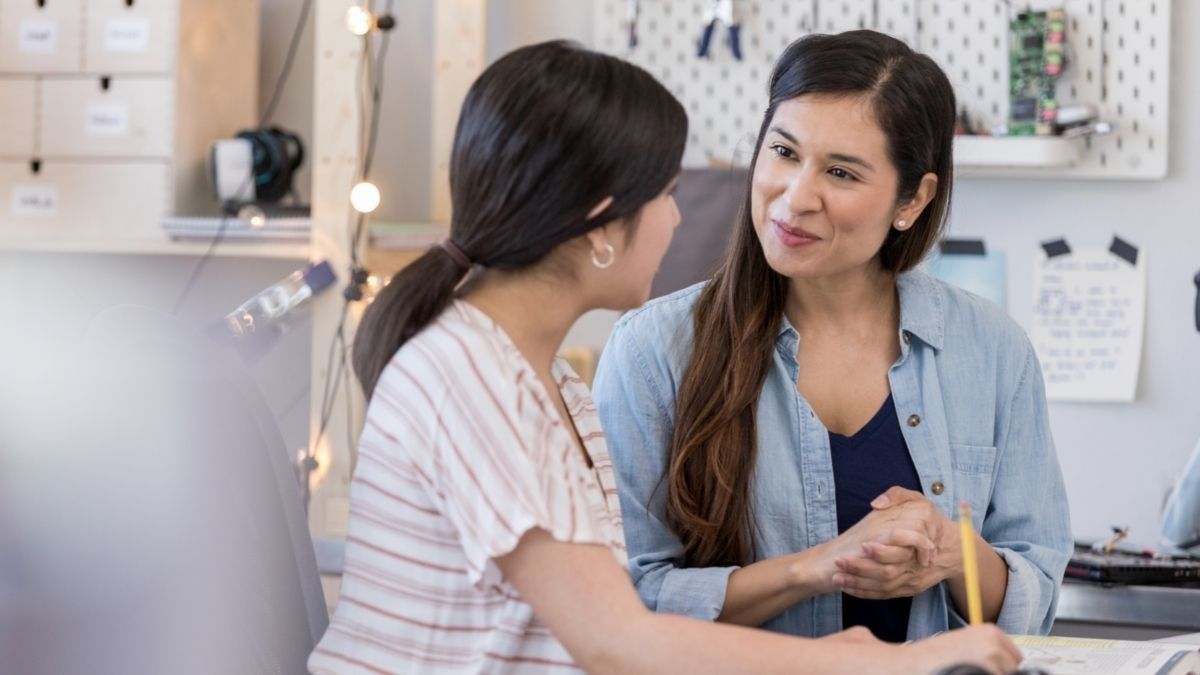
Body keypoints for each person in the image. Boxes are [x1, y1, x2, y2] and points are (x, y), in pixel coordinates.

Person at [308, 40, 1021, 675]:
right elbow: (618, 641)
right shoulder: (473, 380)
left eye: (840, 171)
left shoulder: (546, 383)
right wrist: (879, 663)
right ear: (600, 222)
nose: (680, 217)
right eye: (668, 193)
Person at [592, 30, 1073, 643]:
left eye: (841, 172)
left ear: (912, 199)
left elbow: (1036, 599)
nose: (796, 198)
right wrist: (814, 569)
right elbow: (624, 604)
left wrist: (956, 554)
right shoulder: (651, 352)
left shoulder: (994, 350)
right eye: (784, 152)